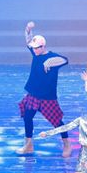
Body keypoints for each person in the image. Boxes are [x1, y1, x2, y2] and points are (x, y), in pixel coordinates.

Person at [17, 21, 71, 157]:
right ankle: (29, 146)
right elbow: (28, 40)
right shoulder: (35, 54)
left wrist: (50, 62)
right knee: (27, 117)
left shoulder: (52, 57)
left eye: (37, 48)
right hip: (33, 95)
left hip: (47, 97)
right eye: (33, 48)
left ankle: (67, 145)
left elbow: (65, 60)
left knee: (57, 121)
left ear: (43, 47)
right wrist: (28, 29)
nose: (34, 50)